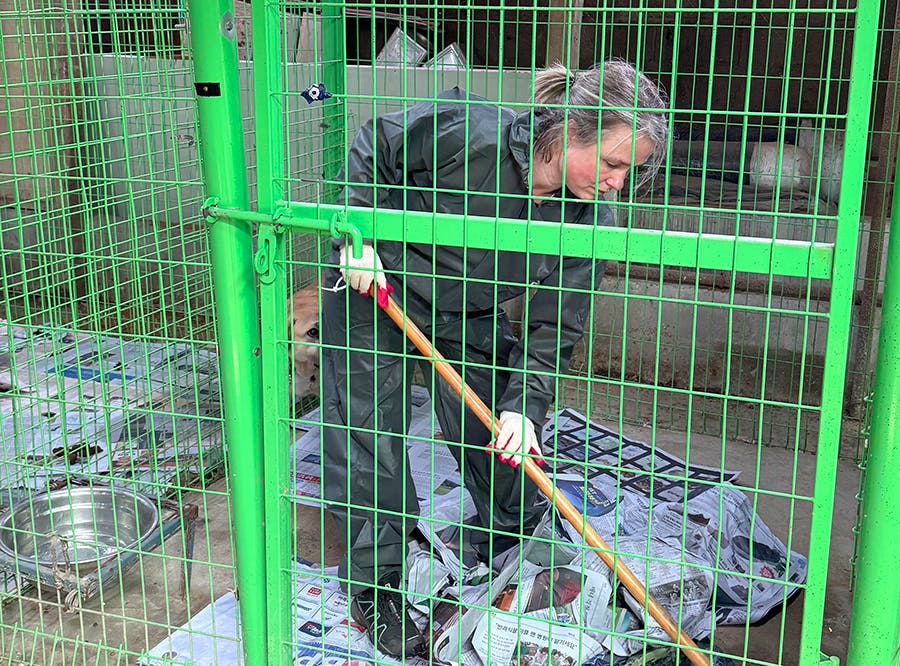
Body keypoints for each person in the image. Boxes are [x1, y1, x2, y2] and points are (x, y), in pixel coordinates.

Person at [320, 59, 669, 658]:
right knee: (366, 431)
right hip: (376, 288)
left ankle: (509, 533)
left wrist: (525, 411)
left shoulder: (588, 220)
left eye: (627, 173)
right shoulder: (472, 133)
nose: (617, 182)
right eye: (612, 164)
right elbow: (372, 143)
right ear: (571, 130)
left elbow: (555, 323)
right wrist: (358, 236)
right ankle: (375, 584)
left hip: (465, 314)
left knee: (503, 421)